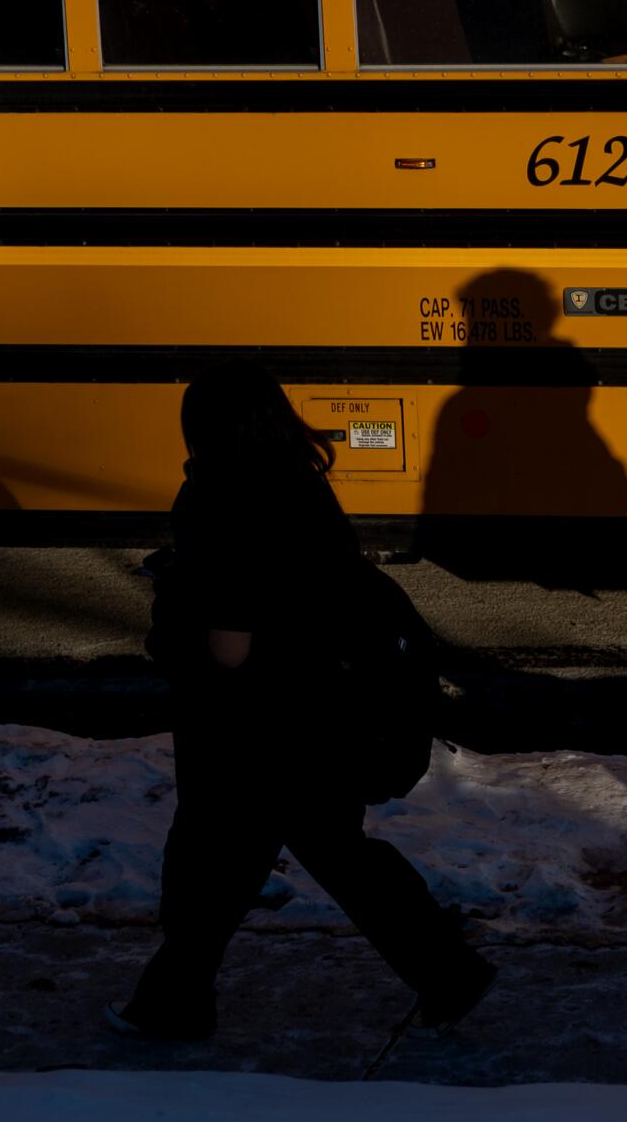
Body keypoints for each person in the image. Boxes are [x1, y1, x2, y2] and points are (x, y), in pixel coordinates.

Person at [108, 361, 496, 1041]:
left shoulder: (222, 496)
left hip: (251, 725)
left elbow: (230, 645)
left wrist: (174, 617)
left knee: (218, 860)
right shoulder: (300, 482)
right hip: (321, 709)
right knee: (309, 851)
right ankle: (445, 970)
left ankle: (175, 1002)